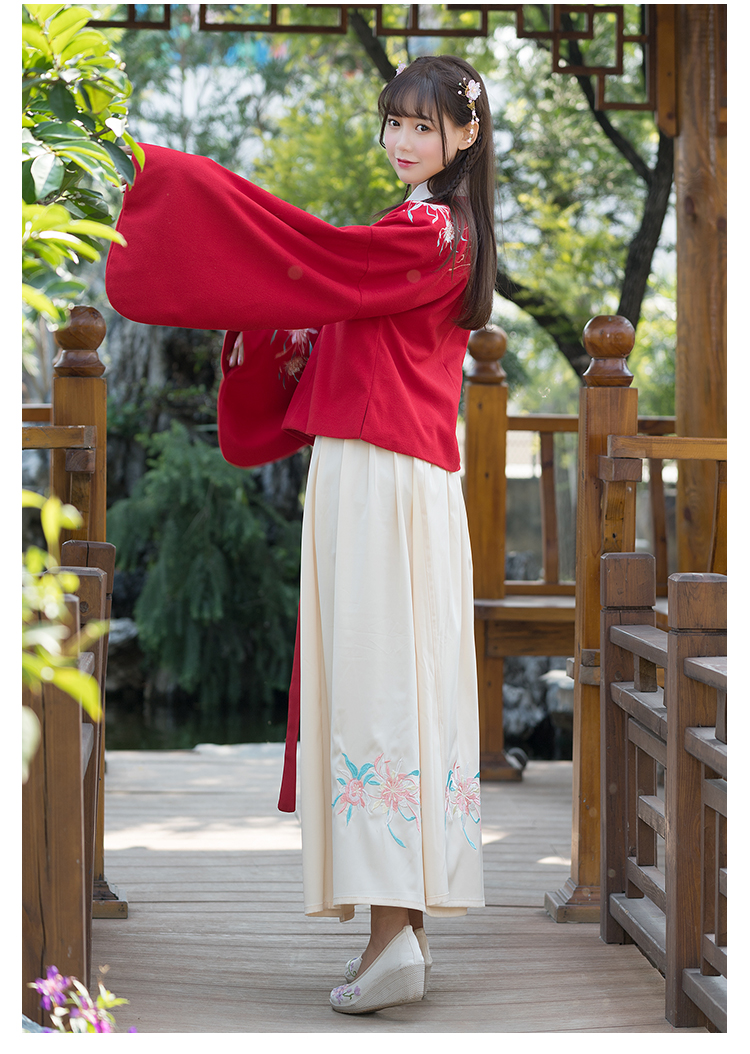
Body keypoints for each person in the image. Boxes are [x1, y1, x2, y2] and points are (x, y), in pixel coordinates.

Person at [106, 54, 497, 1015]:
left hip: (378, 474)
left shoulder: (424, 231)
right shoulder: (446, 230)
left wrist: (172, 182)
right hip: (400, 476)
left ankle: (391, 937)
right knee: (400, 689)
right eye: (394, 122)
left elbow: (312, 262)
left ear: (467, 135)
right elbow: (330, 287)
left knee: (376, 690)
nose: (402, 140)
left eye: (424, 125)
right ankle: (401, 930)